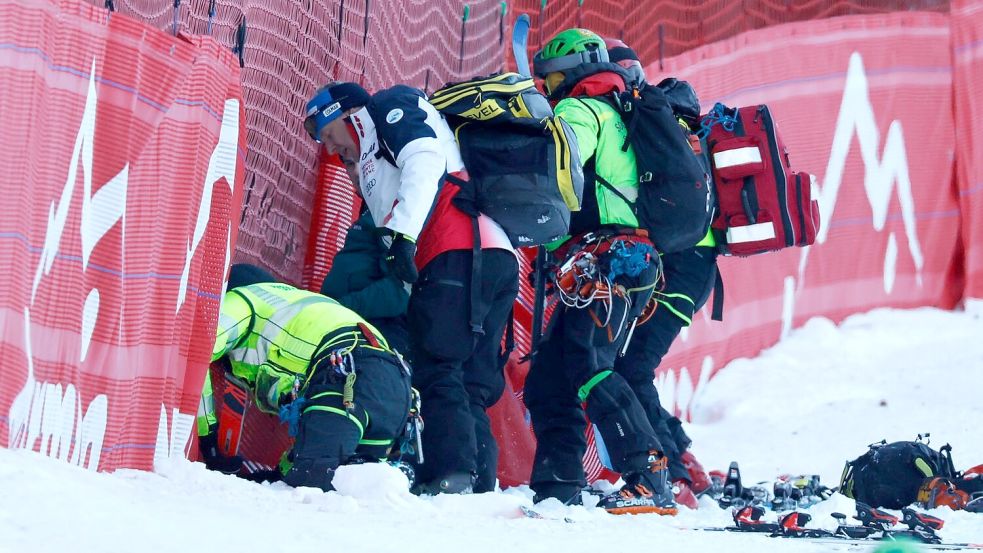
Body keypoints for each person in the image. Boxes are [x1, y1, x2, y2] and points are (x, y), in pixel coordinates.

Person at [303, 82, 519, 494]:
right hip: (493, 254)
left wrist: (403, 236)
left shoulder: (387, 106)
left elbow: (424, 158)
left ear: (346, 115)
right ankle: (478, 480)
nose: (332, 150)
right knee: (470, 377)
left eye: (329, 135)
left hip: (455, 249)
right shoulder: (370, 166)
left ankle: (451, 475)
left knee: (438, 366)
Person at [524, 28, 676, 515]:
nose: (546, 89)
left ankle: (649, 475)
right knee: (549, 378)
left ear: (566, 72)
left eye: (547, 78)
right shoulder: (617, 105)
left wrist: (544, 221)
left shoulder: (580, 109)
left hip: (610, 257)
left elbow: (562, 164)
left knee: (590, 364)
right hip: (624, 257)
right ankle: (558, 484)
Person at [603, 37, 718, 509]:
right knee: (633, 366)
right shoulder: (673, 120)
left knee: (631, 367)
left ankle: (671, 473)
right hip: (691, 267)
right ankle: (684, 460)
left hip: (679, 267)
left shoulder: (648, 119)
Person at [198, 280, 412, 491]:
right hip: (396, 383)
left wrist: (209, 442)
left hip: (347, 378)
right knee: (362, 491)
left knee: (312, 485)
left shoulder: (240, 302)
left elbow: (196, 355)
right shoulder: (297, 303)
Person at [320, 208, 411, 355]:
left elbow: (400, 289)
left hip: (374, 329)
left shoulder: (407, 214)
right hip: (342, 320)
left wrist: (342, 308)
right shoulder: (377, 203)